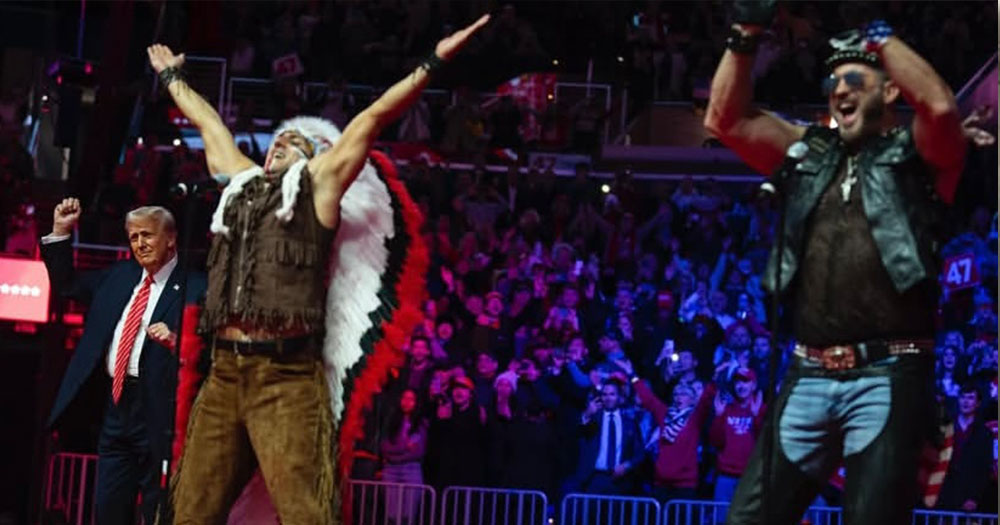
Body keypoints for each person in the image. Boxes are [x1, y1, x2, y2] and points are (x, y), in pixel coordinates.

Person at [147, 13, 491, 524]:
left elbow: (373, 118)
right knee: (189, 513)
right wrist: (173, 76)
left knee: (308, 515)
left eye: (295, 143)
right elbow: (208, 124)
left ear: (316, 158)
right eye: (277, 140)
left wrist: (432, 60)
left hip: (284, 375)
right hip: (224, 373)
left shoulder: (320, 188)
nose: (280, 143)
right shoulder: (240, 182)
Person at [704, 2, 966, 523]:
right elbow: (724, 120)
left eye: (853, 79)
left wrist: (877, 35)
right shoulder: (810, 151)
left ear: (890, 90)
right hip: (808, 369)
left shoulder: (918, 158)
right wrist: (745, 33)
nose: (839, 91)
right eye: (833, 84)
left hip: (888, 371)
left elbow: (938, 109)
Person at [40, 199, 205, 525]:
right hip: (116, 408)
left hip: (163, 413)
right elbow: (67, 284)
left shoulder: (197, 286)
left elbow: (212, 350)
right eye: (133, 237)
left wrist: (178, 341)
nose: (140, 244)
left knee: (159, 514)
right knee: (108, 511)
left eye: (148, 235)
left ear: (170, 238)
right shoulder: (118, 276)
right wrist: (61, 231)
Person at [573, 381, 644, 496]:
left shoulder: (629, 422)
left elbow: (639, 453)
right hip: (594, 478)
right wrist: (587, 414)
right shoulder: (593, 418)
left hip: (620, 479)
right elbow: (577, 433)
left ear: (619, 397)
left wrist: (626, 466)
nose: (608, 398)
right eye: (604, 394)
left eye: (612, 394)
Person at [935, 384, 993, 513]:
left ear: (977, 403)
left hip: (968, 496)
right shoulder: (945, 428)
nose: (966, 402)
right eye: (963, 397)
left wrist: (974, 497)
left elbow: (984, 469)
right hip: (943, 494)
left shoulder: (984, 434)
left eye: (971, 398)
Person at [379, 389, 428, 523]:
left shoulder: (420, 424)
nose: (407, 402)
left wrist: (395, 451)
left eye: (411, 399)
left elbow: (417, 451)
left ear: (416, 403)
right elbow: (384, 447)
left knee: (408, 515)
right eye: (404, 398)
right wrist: (403, 448)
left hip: (411, 470)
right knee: (392, 516)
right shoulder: (391, 421)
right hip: (390, 470)